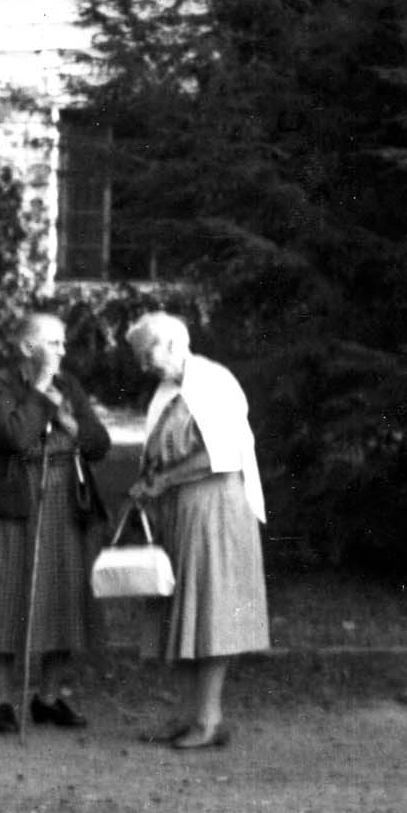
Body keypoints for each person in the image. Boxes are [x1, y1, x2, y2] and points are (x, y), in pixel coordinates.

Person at [125, 311, 269, 750]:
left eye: (146, 354)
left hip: (215, 508)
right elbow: (161, 452)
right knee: (180, 611)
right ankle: (189, 714)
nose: (142, 365)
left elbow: (219, 455)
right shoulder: (168, 390)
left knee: (210, 610)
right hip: (180, 509)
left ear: (172, 343)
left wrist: (164, 480)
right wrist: (148, 482)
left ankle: (209, 719)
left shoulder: (212, 382)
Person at [0, 311, 110, 735]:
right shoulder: (0, 384)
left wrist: (70, 423)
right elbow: (14, 437)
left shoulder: (71, 386)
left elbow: (99, 444)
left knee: (64, 597)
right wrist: (44, 391)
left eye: (64, 343)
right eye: (54, 343)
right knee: (4, 597)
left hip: (65, 502)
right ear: (28, 347)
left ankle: (48, 698)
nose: (63, 351)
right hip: (16, 502)